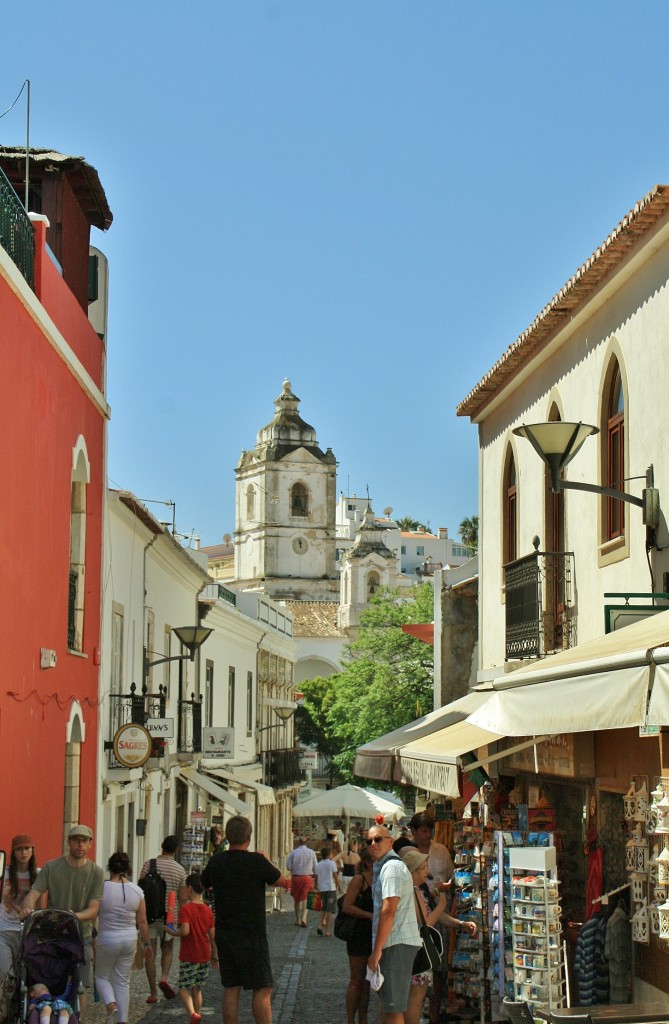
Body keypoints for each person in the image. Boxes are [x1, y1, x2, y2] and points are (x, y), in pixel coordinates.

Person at [201, 815, 290, 1024]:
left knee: (231, 987)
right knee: (262, 987)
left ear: (228, 837)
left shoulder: (217, 861)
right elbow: (280, 880)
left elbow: (204, 883)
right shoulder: (256, 861)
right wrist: (266, 859)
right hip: (252, 933)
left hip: (225, 931)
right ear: (248, 837)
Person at [23, 825, 104, 1021]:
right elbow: (33, 893)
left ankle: (79, 1019)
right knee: (41, 977)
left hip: (80, 936)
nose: (80, 844)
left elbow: (93, 909)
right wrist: (27, 908)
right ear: (68, 842)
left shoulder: (96, 872)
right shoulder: (52, 867)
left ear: (90, 844)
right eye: (76, 840)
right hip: (51, 936)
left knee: (80, 987)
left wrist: (74, 916)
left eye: (84, 840)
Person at [399, 848, 477, 1024]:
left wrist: (460, 924)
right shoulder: (411, 891)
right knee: (414, 999)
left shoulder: (419, 889)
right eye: (424, 868)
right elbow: (426, 922)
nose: (428, 872)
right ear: (412, 871)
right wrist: (442, 903)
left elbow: (433, 914)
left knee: (413, 998)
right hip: (415, 952)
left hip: (414, 952)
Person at [367, 825, 421, 1024]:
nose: (373, 844)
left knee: (393, 1008)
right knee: (391, 1006)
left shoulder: (391, 868)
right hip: (394, 941)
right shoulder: (386, 866)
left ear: (390, 841)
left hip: (395, 942)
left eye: (378, 839)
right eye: (369, 841)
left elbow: (389, 910)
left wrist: (377, 949)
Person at [407, 812, 455, 1024]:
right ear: (414, 831)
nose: (428, 835)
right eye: (424, 831)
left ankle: (433, 1010)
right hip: (422, 916)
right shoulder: (408, 852)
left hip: (439, 913)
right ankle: (419, 1007)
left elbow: (452, 876)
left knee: (438, 966)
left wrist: (445, 889)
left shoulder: (441, 850)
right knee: (420, 972)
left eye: (430, 831)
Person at [95, 851, 152, 1024]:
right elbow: (142, 921)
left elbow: (93, 914)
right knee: (123, 981)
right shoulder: (137, 891)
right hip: (129, 939)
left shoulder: (102, 888)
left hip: (107, 938)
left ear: (109, 868)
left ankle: (110, 1004)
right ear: (128, 869)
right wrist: (147, 944)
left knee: (101, 977)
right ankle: (123, 1020)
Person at [139, 835, 187, 1003]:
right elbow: (182, 898)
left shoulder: (148, 865)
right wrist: (181, 919)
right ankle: (165, 977)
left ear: (162, 846)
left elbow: (140, 890)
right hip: (169, 916)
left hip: (150, 916)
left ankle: (153, 993)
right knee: (167, 949)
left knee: (149, 952)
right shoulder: (180, 870)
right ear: (175, 850)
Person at [165, 873, 216, 1024]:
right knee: (197, 988)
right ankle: (198, 1013)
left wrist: (173, 932)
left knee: (183, 987)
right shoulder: (208, 910)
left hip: (189, 954)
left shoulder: (186, 909)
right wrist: (215, 955)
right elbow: (212, 936)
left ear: (189, 888)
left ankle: (192, 1014)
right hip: (204, 954)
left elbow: (185, 931)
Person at [0, 834, 41, 1013]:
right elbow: (5, 900)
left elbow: (41, 906)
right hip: (4, 931)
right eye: (19, 849)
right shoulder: (5, 872)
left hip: (27, 933)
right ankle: (5, 1012)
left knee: (23, 978)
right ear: (13, 852)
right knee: (5, 976)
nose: (23, 852)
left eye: (27, 848)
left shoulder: (39, 874)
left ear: (32, 851)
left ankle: (20, 1013)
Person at [342, 847, 374, 1024]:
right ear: (368, 862)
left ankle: (363, 1018)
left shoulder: (379, 879)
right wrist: (369, 915)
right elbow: (347, 906)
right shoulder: (359, 879)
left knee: (367, 981)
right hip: (358, 934)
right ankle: (350, 1020)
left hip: (374, 934)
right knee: (356, 980)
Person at [285, 838, 317, 927]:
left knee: (297, 899)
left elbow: (288, 866)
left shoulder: (293, 852)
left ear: (298, 843)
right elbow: (316, 867)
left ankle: (297, 919)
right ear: (306, 843)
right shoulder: (312, 852)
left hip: (296, 877)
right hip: (308, 877)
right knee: (306, 898)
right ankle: (304, 918)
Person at [315, 847, 340, 937]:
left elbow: (316, 877)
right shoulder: (332, 863)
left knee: (323, 908)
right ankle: (328, 930)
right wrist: (339, 886)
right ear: (329, 854)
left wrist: (316, 886)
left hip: (322, 889)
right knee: (330, 910)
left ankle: (320, 925)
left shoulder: (318, 864)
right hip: (330, 888)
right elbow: (335, 876)